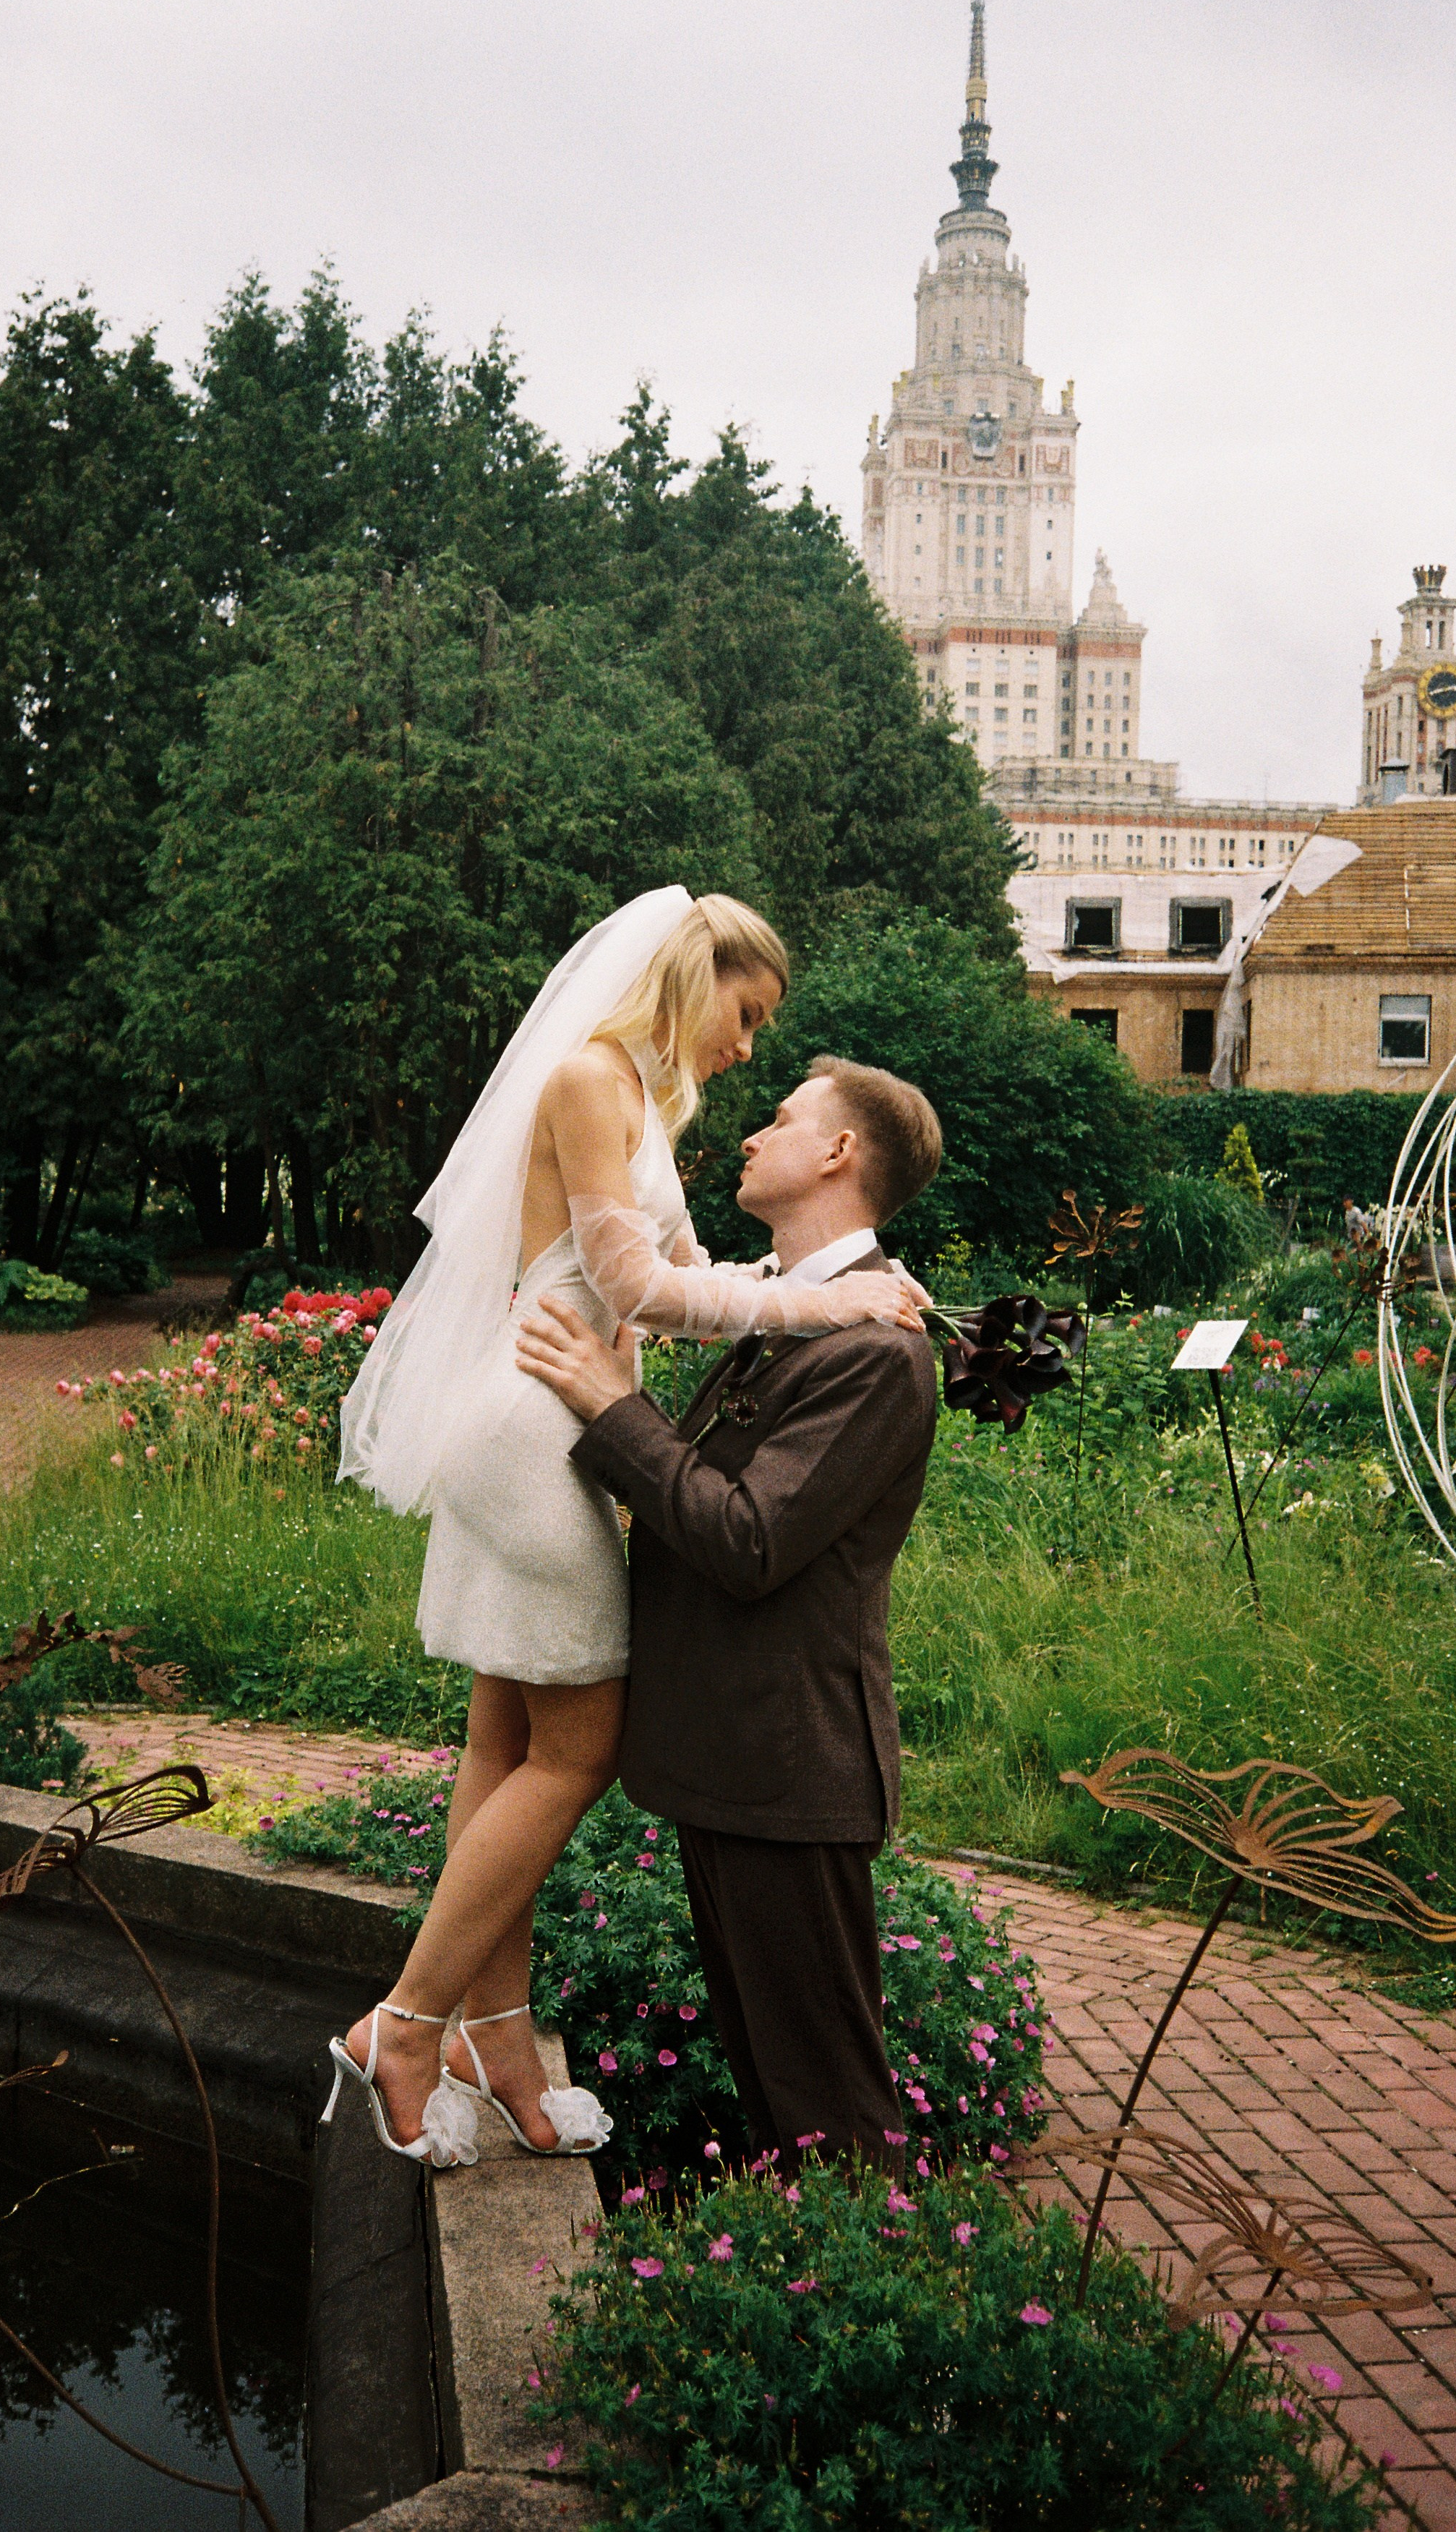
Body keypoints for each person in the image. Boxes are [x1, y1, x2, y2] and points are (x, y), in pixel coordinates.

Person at [330, 891, 926, 2167]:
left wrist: (811, 1282)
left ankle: (496, 2038)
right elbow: (638, 1289)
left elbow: (699, 1263)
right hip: (538, 1423)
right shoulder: (592, 1079)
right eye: (746, 1012)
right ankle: (405, 2021)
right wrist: (827, 1311)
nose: (749, 1047)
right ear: (686, 972)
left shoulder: (637, 1105)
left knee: (503, 1739)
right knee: (581, 1744)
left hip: (548, 1418)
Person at [515, 1057, 942, 2165]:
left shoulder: (878, 1350)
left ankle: (879, 2306)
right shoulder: (789, 1314)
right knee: (777, 2093)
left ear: (839, 1154)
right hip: (737, 1764)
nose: (751, 1135)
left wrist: (614, 1411)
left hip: (789, 1773)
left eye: (784, 1119)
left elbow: (747, 1540)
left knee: (829, 2110)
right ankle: (808, 2288)